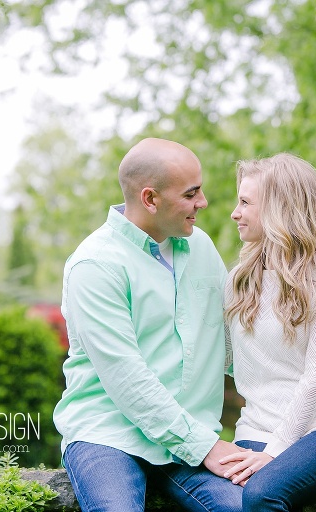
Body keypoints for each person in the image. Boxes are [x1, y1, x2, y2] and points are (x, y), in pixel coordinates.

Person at [53, 137, 244, 512]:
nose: (203, 203)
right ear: (150, 199)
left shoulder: (201, 247)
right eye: (191, 194)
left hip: (189, 439)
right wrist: (203, 446)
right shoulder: (94, 265)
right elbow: (127, 380)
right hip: (109, 435)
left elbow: (232, 344)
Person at [220, 153, 316, 511]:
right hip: (256, 429)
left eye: (245, 202)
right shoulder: (238, 282)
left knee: (261, 495)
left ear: (279, 210)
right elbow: (227, 362)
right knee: (221, 499)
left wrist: (275, 450)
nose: (234, 212)